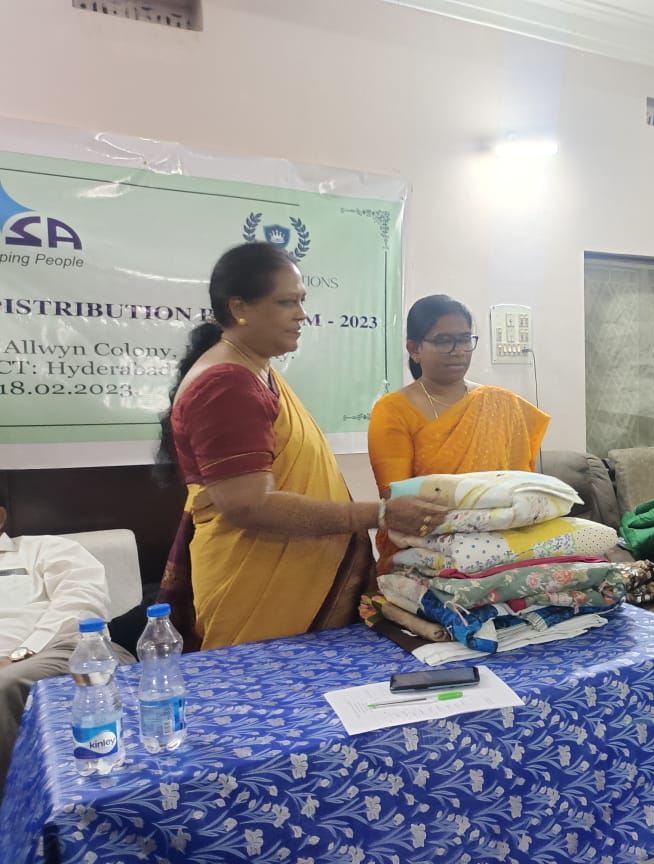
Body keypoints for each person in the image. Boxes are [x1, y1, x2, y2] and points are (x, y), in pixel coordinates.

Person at [155, 243, 442, 651]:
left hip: (287, 577)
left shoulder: (254, 370)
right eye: (286, 302)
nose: (302, 315)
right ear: (239, 307)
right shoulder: (226, 385)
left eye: (302, 300)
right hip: (256, 586)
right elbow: (250, 505)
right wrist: (380, 513)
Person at [367, 294, 550, 570]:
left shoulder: (501, 403)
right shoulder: (393, 410)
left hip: (501, 548)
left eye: (465, 339)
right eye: (443, 340)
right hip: (422, 553)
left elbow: (519, 487)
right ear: (414, 348)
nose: (458, 350)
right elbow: (398, 501)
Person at [0, 490, 131, 801]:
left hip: (62, 650)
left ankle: (19, 813)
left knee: (4, 684)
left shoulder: (43, 550)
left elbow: (81, 603)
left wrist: (21, 653)